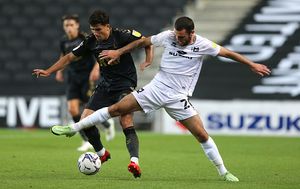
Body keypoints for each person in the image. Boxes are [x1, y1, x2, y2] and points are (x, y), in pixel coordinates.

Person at [49, 16, 271, 181]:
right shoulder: (169, 36)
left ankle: (223, 171)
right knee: (117, 109)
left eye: (182, 36)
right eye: (176, 34)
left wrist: (251, 64)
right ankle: (74, 128)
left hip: (178, 97)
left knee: (201, 134)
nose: (178, 38)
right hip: (157, 88)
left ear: (192, 33)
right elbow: (143, 42)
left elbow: (228, 53)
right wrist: (120, 52)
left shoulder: (203, 44)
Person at [33, 10, 153, 178]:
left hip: (125, 84)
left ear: (108, 27)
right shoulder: (90, 41)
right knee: (85, 121)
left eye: (98, 29)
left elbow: (147, 41)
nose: (95, 33)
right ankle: (102, 153)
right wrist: (49, 71)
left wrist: (148, 59)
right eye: (93, 30)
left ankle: (134, 162)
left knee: (125, 120)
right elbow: (68, 58)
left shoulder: (122, 35)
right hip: (105, 85)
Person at [57, 14, 115, 151]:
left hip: (86, 77)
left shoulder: (85, 38)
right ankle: (87, 140)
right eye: (66, 25)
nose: (69, 28)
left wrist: (96, 69)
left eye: (71, 25)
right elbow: (64, 55)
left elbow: (97, 53)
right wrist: (60, 70)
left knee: (89, 109)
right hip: (72, 77)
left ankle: (107, 124)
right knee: (73, 109)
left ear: (77, 25)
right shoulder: (63, 41)